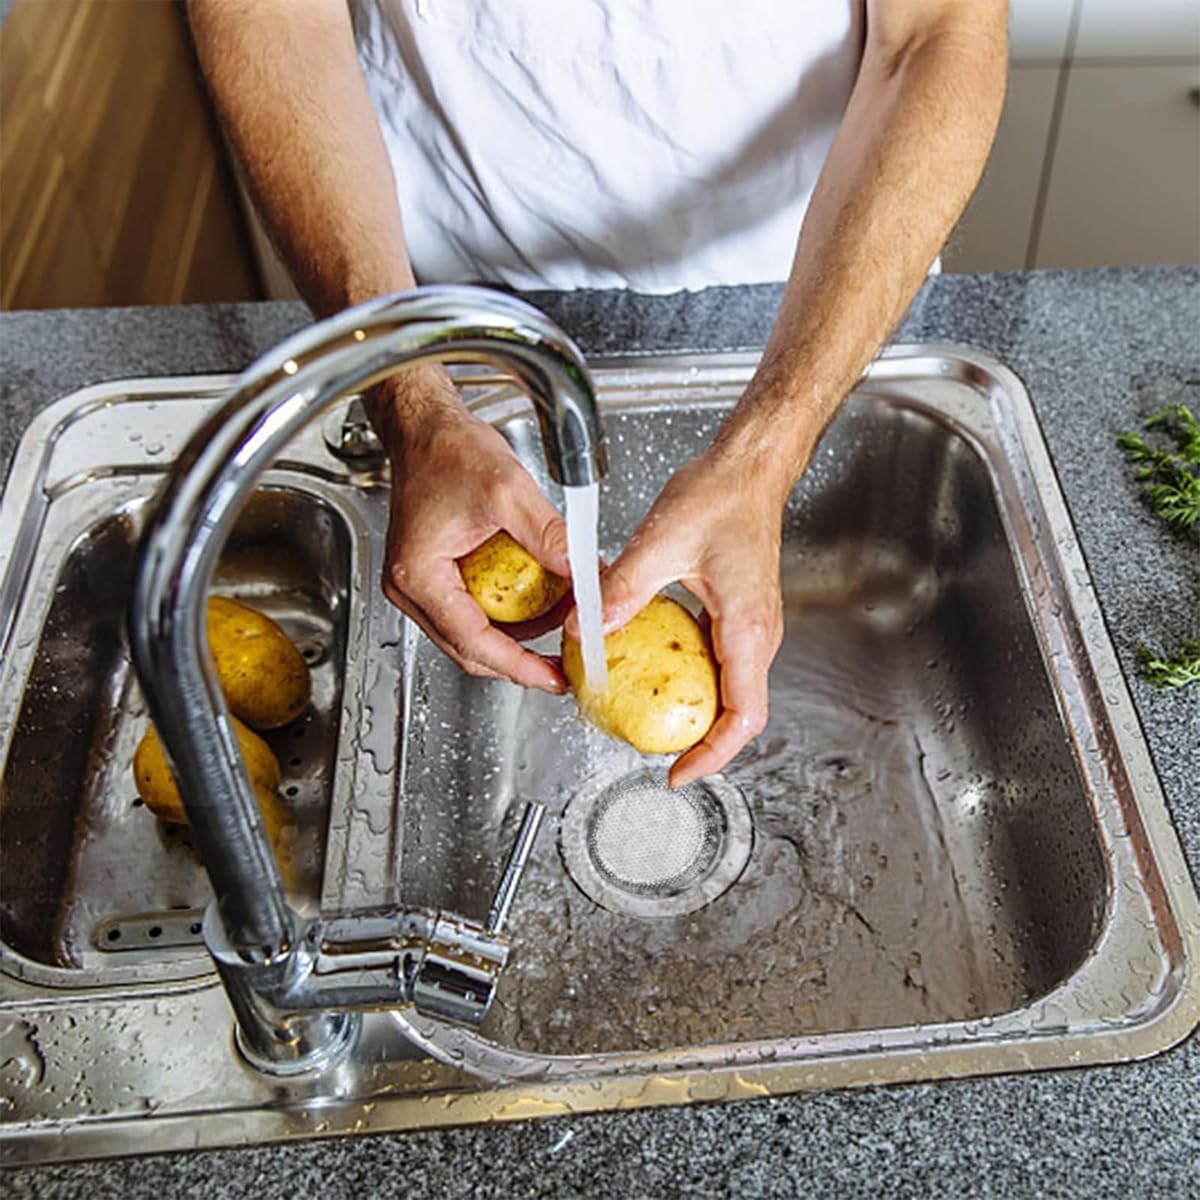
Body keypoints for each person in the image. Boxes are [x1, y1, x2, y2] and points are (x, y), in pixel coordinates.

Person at [189, 0, 1008, 785]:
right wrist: (412, 406)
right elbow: (271, 14)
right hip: (437, 275)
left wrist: (768, 451)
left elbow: (938, 33)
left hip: (817, 278)